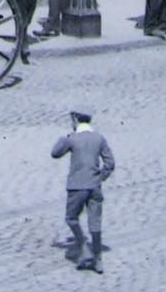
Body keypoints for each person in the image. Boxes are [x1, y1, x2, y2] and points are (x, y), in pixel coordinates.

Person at [51, 109, 115, 273]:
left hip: (76, 186)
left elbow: (55, 153)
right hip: (94, 186)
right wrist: (100, 178)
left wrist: (65, 137)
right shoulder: (99, 138)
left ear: (75, 121)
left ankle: (85, 248)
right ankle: (98, 259)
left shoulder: (72, 139)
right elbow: (110, 163)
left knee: (71, 218)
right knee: (95, 221)